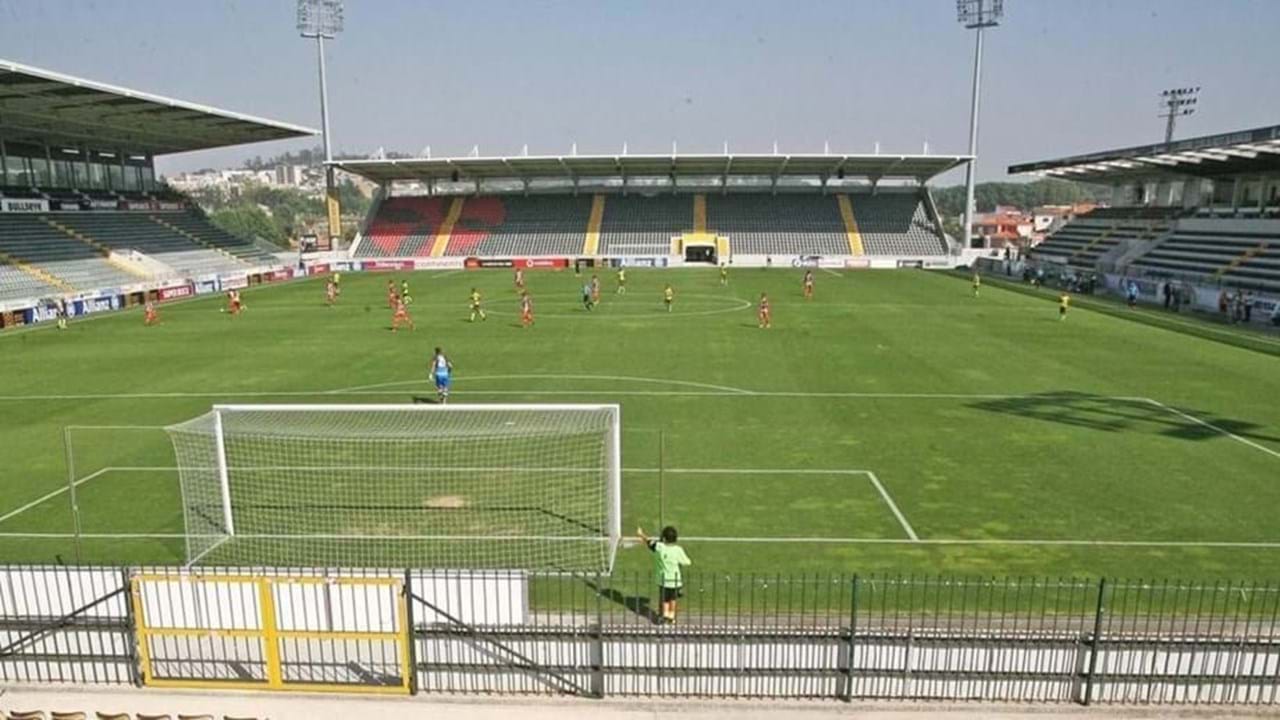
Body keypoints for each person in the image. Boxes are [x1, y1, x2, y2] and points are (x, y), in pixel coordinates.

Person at [637, 525, 691, 625]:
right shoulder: (678, 550)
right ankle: (671, 617)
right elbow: (687, 562)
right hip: (675, 581)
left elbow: (649, 542)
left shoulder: (659, 547)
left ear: (664, 538)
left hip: (663, 580)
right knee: (673, 599)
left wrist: (641, 534)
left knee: (665, 599)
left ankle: (664, 616)